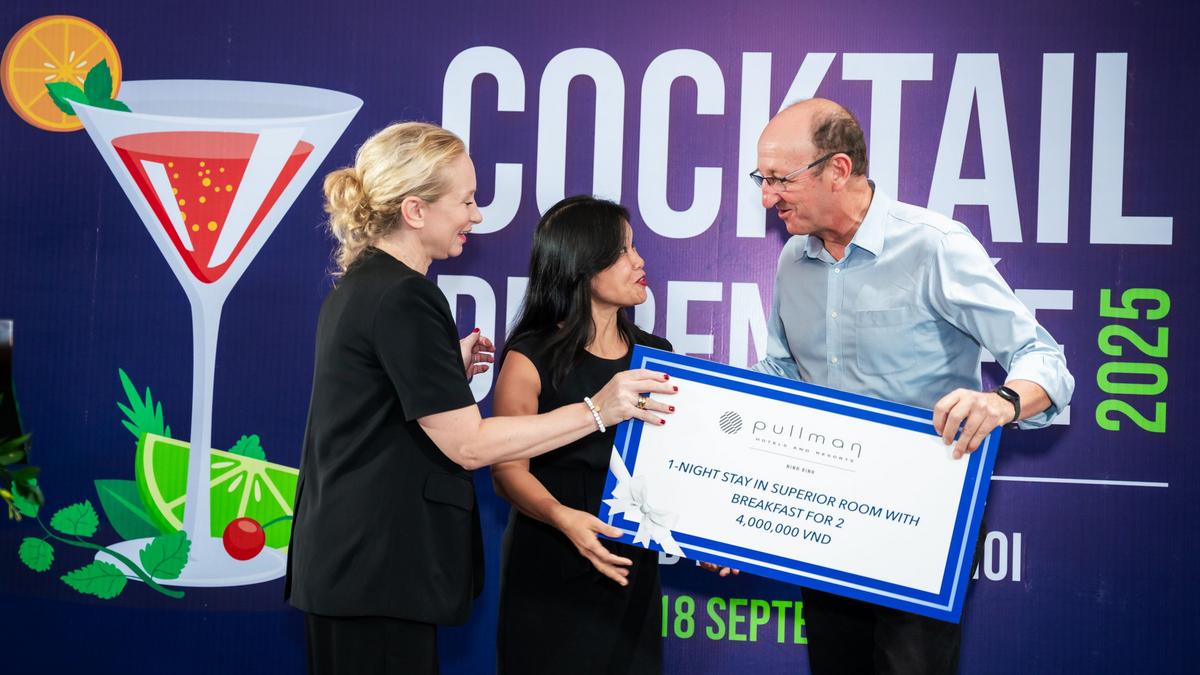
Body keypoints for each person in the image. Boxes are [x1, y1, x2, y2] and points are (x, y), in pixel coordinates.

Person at [284, 123, 676, 675]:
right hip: (376, 572)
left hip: (359, 570)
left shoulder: (369, 285)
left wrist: (443, 372)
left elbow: (381, 407)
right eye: (466, 200)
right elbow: (469, 446)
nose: (476, 215)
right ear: (415, 210)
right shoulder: (404, 296)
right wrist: (598, 409)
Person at [751, 99, 1074, 674]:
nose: (767, 197)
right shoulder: (793, 261)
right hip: (822, 511)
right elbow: (782, 374)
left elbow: (1045, 360)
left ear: (839, 169)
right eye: (762, 179)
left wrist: (1000, 402)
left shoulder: (935, 246)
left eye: (780, 179)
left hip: (924, 516)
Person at [491, 196, 671, 675]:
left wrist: (712, 538)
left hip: (631, 567)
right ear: (582, 265)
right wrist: (563, 518)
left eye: (635, 248)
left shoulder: (657, 355)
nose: (640, 262)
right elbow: (507, 471)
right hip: (549, 564)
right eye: (623, 251)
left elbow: (674, 464)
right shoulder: (530, 357)